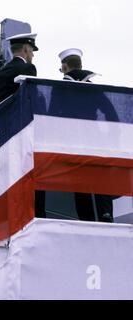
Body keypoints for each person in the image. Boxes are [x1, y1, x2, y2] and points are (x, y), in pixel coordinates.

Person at [50, 48, 119, 223]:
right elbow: (111, 113)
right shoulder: (92, 87)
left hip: (72, 139)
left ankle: (86, 218)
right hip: (94, 137)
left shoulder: (59, 89)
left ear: (65, 66)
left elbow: (50, 117)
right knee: (100, 174)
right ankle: (106, 214)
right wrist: (112, 135)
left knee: (79, 179)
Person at [0, 33, 38, 106]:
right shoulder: (28, 68)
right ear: (26, 49)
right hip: (18, 114)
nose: (32, 55)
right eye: (31, 51)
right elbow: (30, 95)